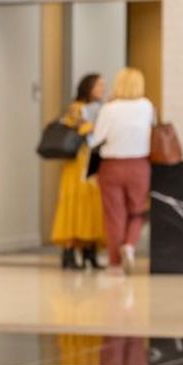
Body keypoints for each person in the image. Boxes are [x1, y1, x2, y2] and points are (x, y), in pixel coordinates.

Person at [90, 67, 156, 274]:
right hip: (139, 165)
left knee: (114, 214)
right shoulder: (146, 106)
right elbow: (153, 130)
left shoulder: (109, 108)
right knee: (138, 211)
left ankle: (115, 262)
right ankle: (130, 245)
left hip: (111, 166)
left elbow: (96, 140)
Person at [53, 73, 107, 270]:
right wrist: (94, 126)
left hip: (94, 161)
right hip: (77, 165)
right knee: (74, 205)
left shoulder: (103, 109)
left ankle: (90, 250)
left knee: (93, 206)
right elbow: (76, 130)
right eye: (99, 85)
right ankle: (69, 251)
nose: (102, 89)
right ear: (88, 87)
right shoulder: (76, 109)